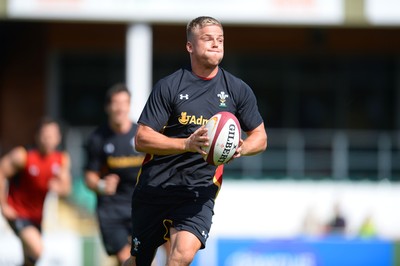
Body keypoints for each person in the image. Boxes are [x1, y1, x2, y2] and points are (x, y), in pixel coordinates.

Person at [123, 16, 267, 266]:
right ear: (190, 46)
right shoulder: (169, 86)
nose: (216, 44)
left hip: (198, 191)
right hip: (156, 187)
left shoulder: (237, 89)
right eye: (208, 39)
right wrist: (186, 144)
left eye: (220, 39)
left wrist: (242, 148)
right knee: (139, 262)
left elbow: (261, 137)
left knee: (180, 256)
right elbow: (142, 138)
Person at [84, 83, 169, 265]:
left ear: (129, 105)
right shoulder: (97, 139)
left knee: (150, 256)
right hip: (111, 211)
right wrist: (101, 185)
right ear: (108, 107)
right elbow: (89, 177)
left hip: (141, 206)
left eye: (125, 103)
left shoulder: (141, 136)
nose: (120, 107)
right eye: (116, 103)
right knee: (127, 258)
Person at [0, 117, 71, 266]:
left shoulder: (61, 159)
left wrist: (59, 188)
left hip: (37, 217)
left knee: (31, 260)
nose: (48, 139)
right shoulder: (22, 155)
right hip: (17, 212)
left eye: (51, 136)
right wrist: (4, 205)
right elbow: (1, 171)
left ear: (58, 138)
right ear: (37, 136)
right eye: (45, 135)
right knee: (37, 249)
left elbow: (66, 189)